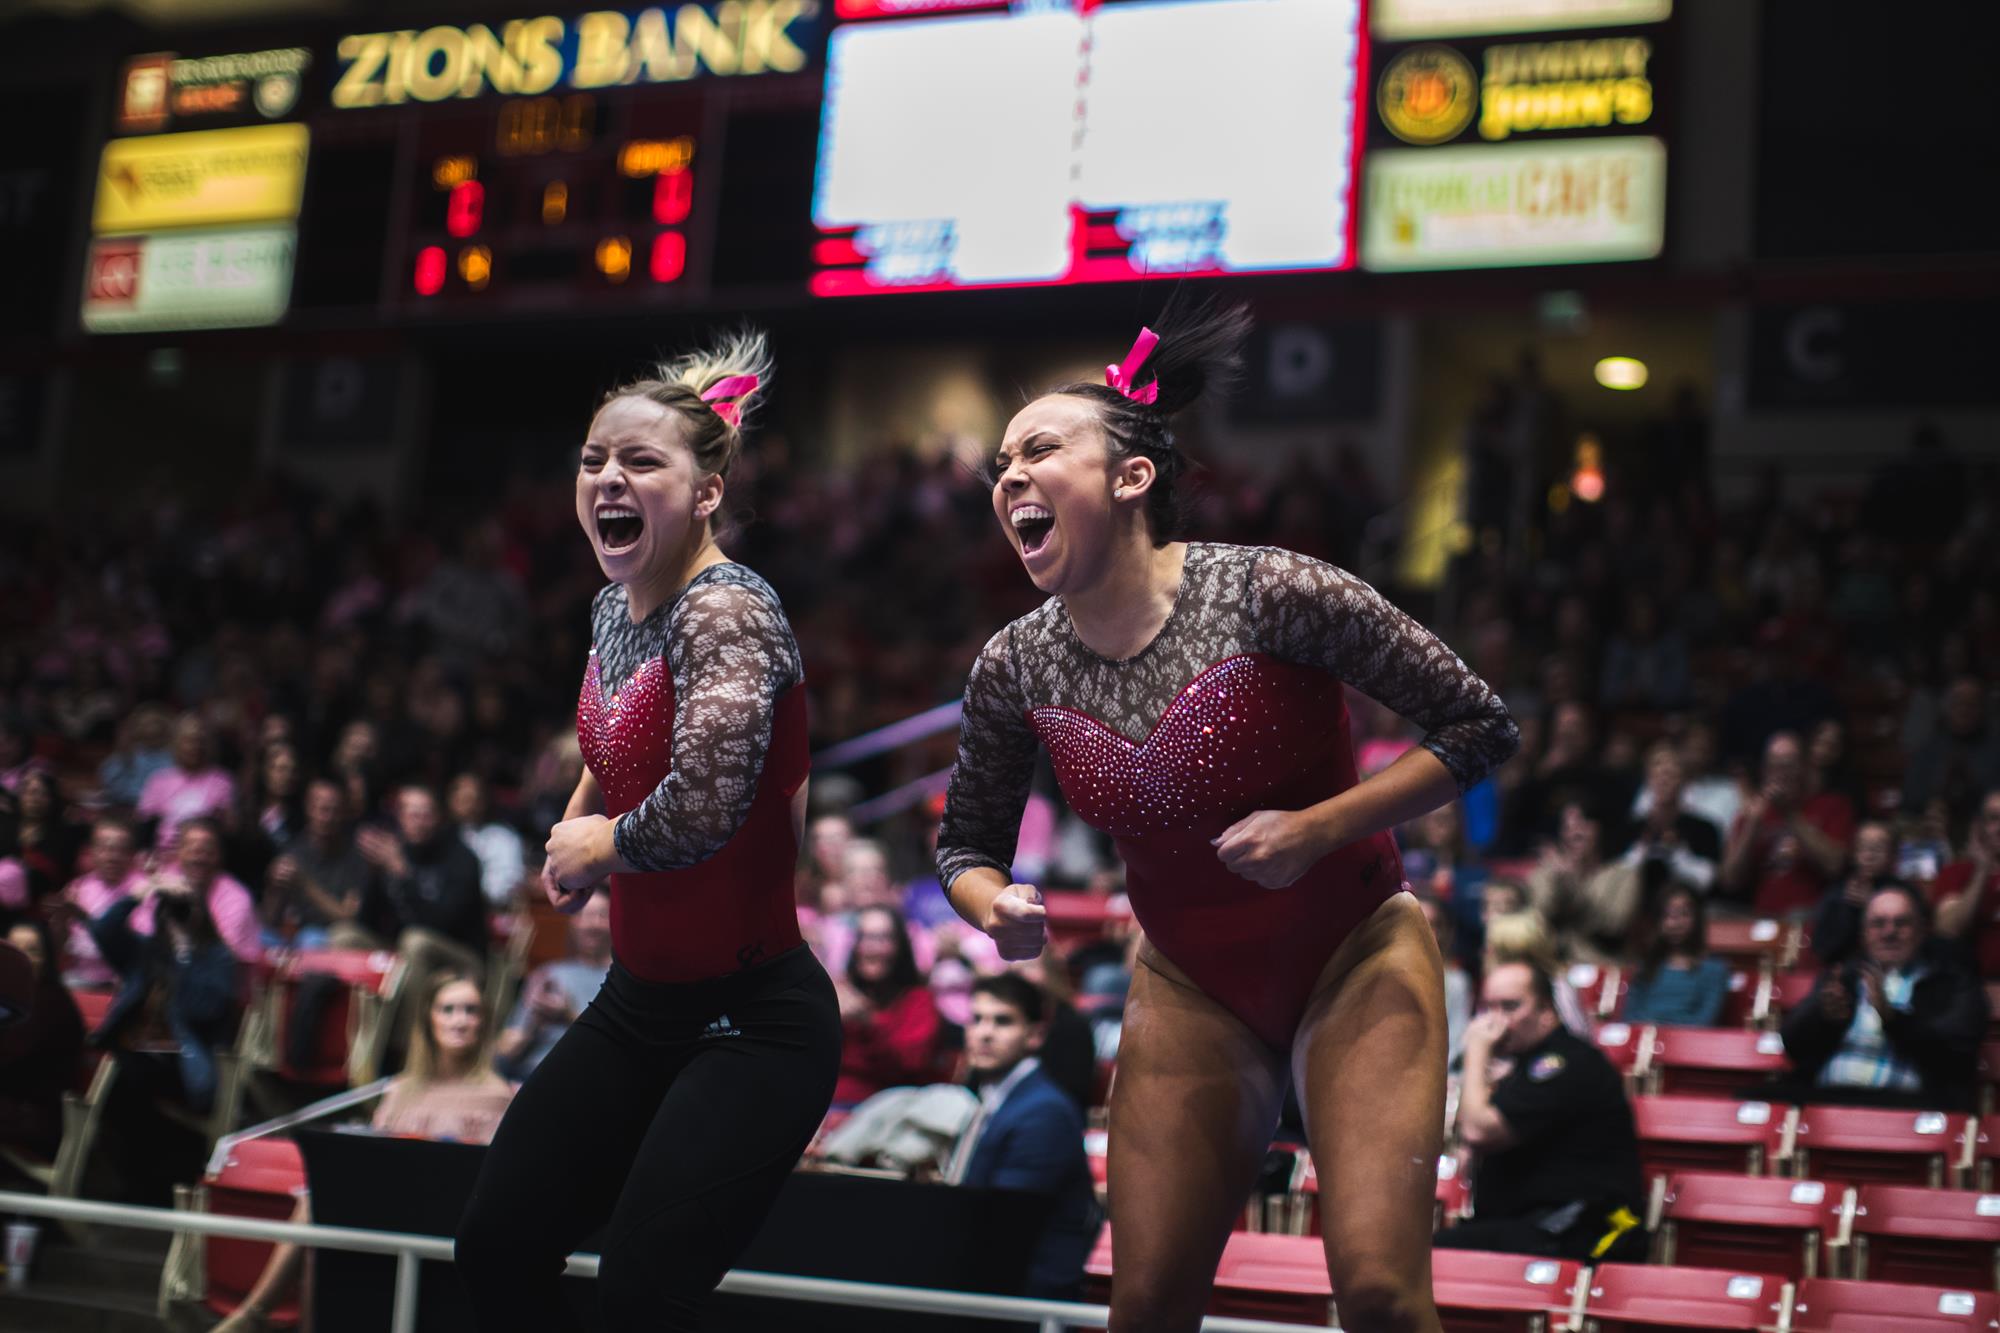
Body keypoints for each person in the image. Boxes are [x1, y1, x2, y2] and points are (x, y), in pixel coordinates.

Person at [936, 304, 1519, 1332]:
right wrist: (995, 904)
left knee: (1379, 1294)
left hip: (1355, 950)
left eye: (1038, 450)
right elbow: (965, 847)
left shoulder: (1273, 592)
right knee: (1145, 1305)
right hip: (1189, 980)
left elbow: (1476, 726)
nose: (1008, 476)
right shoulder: (1013, 662)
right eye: (999, 464)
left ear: (1130, 477)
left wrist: (1317, 828)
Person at [455, 331, 840, 1332]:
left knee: (638, 1295)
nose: (606, 479)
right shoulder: (612, 605)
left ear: (707, 492)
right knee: (496, 1247)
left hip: (753, 1020)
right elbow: (624, 732)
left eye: (640, 460)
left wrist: (603, 846)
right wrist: (582, 812)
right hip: (640, 1003)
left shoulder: (730, 611)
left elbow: (707, 803)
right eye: (592, 460)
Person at [214, 970, 516, 1333]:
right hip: (396, 1204)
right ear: (428, 1019)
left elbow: (491, 1178)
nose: (460, 1021)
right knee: (319, 1200)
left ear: (484, 1023)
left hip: (452, 1216)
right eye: (448, 1009)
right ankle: (260, 1312)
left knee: (322, 1206)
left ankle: (255, 1314)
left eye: (471, 1011)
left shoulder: (499, 1094)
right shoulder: (401, 1089)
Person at [1437, 961, 1646, 1261]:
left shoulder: (1566, 1064)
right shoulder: (1527, 1065)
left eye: (1510, 1007)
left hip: (1578, 1230)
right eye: (1488, 1008)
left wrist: (1476, 1052)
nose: (1495, 1021)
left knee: (1428, 1259)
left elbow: (1479, 1130)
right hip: (1531, 1226)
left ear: (1547, 1011)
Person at [89, 862, 242, 1203]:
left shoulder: (218, 958)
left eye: (186, 908)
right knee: (118, 1075)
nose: (176, 915)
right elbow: (102, 931)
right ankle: (135, 1185)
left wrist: (184, 951)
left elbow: (202, 1008)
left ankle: (147, 1188)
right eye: (170, 908)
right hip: (135, 1053)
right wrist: (139, 893)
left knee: (127, 1079)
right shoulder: (144, 952)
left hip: (184, 1064)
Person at [943, 973, 1099, 1300]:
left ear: (1035, 1035)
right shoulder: (995, 1098)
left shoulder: (1044, 1113)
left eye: (1002, 1021)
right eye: (977, 1019)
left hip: (1024, 1299)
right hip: (996, 1283)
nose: (984, 1033)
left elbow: (1005, 1226)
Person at [1779, 883, 1987, 1110]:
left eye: (1901, 923)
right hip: (1830, 1099)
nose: (1889, 932)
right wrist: (1822, 1015)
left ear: (1922, 930)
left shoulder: (1951, 982)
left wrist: (1893, 1019)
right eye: (1878, 924)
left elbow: (1956, 1056)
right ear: (1864, 933)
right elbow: (1792, 1045)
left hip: (1908, 1108)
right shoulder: (1844, 977)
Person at [1722, 730, 1854, 918]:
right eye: (1774, 766)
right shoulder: (1753, 813)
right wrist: (1751, 826)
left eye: (1788, 765)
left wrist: (1789, 815)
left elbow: (1835, 865)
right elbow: (1730, 880)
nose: (1781, 774)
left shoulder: (1832, 805)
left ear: (1803, 767)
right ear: (1765, 771)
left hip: (1813, 915)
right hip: (1761, 917)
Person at [494, 886, 612, 1080]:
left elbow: (618, 1051)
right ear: (573, 921)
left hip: (588, 1078)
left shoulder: (623, 979)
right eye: (584, 915)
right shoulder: (547, 974)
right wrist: (533, 1023)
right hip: (529, 1075)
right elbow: (503, 1054)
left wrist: (568, 1017)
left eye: (602, 915)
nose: (592, 924)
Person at [834, 904, 944, 1105]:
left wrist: (867, 1023)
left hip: (889, 1110)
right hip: (827, 1108)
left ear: (900, 945)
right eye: (863, 937)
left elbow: (910, 1066)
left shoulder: (918, 1001)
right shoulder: (837, 993)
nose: (871, 948)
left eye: (882, 938)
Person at [0, 916, 85, 1162]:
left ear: (48, 958)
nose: (23, 958)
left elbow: (9, 1058)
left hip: (33, 1114)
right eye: (15, 949)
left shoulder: (50, 1002)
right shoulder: (10, 999)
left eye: (33, 950)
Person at [128, 818, 261, 965]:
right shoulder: (163, 882)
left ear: (219, 856)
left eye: (207, 851)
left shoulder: (237, 899)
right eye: (192, 850)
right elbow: (140, 934)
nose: (198, 858)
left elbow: (221, 958)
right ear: (179, 852)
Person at [262, 778, 374, 949]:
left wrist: (305, 884)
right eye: (322, 809)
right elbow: (269, 920)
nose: (327, 817)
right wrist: (273, 888)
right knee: (261, 938)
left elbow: (348, 917)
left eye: (334, 810)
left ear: (344, 812)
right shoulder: (293, 851)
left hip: (333, 936)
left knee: (312, 939)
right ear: (308, 808)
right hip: (293, 934)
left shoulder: (357, 856)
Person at [1623, 885, 1731, 1027]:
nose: (1674, 923)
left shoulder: (1715, 970)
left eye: (1683, 914)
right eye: (1667, 915)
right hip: (1644, 1041)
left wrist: (1663, 1030)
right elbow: (1629, 1016)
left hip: (1689, 1044)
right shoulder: (1646, 966)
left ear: (1697, 918)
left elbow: (1704, 1022)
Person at [61, 817, 147, 988]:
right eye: (105, 849)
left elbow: (138, 946)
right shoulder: (78, 888)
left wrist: (84, 917)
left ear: (132, 855)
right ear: (92, 852)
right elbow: (69, 945)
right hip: (82, 977)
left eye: (121, 850)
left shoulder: (144, 890)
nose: (113, 857)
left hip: (127, 980)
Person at [1811, 819, 1906, 965]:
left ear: (1893, 855)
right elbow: (1823, 948)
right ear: (1854, 853)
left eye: (1878, 848)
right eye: (1863, 848)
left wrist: (1872, 906)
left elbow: (1910, 944)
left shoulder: (1904, 895)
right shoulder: (1837, 893)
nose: (1869, 855)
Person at [136, 714, 236, 849]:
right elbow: (145, 827)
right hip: (165, 856)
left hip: (205, 857)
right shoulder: (159, 781)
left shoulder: (222, 780)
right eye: (188, 741)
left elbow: (230, 828)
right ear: (176, 744)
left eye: (200, 741)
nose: (195, 746)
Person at [1933, 788, 2000, 974]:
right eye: (1994, 819)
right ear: (1979, 826)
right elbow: (1948, 931)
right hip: (1970, 985)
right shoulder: (1955, 872)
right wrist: (1982, 871)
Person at [449, 772, 527, 910]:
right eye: (463, 799)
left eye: (473, 799)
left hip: (490, 912)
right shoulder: (439, 837)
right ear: (451, 801)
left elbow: (506, 886)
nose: (469, 805)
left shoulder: (503, 838)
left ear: (484, 801)